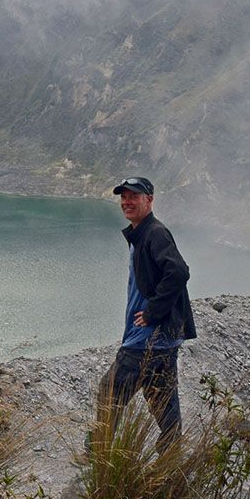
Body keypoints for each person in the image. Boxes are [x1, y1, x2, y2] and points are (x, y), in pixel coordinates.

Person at [97, 176, 197, 450]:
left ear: (149, 200)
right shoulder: (141, 233)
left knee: (110, 391)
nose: (127, 202)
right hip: (164, 340)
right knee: (162, 398)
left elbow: (178, 272)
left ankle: (97, 454)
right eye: (124, 197)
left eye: (134, 196)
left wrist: (153, 312)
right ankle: (170, 454)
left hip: (146, 339)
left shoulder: (154, 233)